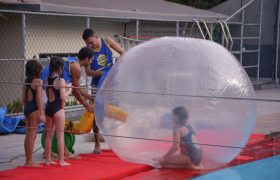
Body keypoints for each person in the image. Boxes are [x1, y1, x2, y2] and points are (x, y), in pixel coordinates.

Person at [41, 47, 95, 159]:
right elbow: (75, 90)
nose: (91, 62)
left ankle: (47, 152)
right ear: (86, 59)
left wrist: (92, 98)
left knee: (49, 125)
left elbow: (77, 88)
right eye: (91, 60)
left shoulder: (72, 61)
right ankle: (64, 153)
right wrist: (86, 105)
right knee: (55, 126)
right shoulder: (76, 68)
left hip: (46, 89)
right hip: (46, 91)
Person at [82, 28, 125, 154]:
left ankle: (115, 141)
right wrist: (104, 73)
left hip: (111, 83)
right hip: (97, 85)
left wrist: (117, 65)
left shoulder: (107, 41)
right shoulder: (88, 52)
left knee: (115, 111)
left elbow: (123, 52)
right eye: (87, 44)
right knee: (97, 114)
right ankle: (97, 144)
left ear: (96, 36)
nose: (90, 45)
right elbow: (89, 72)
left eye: (91, 42)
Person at [44, 57, 72, 166]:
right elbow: (62, 96)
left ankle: (48, 159)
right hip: (58, 109)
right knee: (60, 135)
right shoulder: (60, 80)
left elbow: (48, 94)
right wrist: (69, 89)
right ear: (60, 67)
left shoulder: (47, 79)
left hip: (49, 108)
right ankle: (61, 160)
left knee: (49, 135)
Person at [22, 60, 46, 167]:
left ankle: (28, 160)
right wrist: (42, 113)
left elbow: (23, 99)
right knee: (32, 135)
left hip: (27, 108)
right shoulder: (38, 81)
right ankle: (29, 161)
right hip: (34, 109)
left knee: (28, 135)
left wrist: (24, 112)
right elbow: (39, 98)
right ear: (37, 70)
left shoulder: (25, 81)